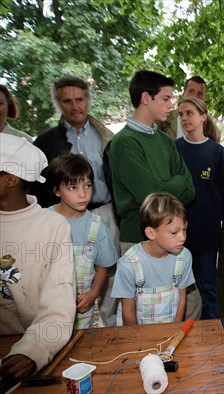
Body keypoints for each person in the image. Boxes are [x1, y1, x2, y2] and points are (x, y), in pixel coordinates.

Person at [32, 76, 120, 326]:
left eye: (79, 99)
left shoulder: (107, 137)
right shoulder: (46, 142)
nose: (74, 106)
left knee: (108, 271)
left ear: (88, 100)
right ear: (59, 103)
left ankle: (104, 327)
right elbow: (39, 186)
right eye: (67, 101)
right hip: (62, 218)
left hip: (103, 213)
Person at [0, 134, 75, 380]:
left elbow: (58, 304)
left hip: (29, 347)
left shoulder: (52, 227)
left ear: (11, 178)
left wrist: (34, 351)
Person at [109, 70, 195, 255]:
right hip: (138, 241)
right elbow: (150, 195)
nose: (171, 105)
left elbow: (191, 190)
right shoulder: (124, 142)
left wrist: (163, 188)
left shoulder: (165, 140)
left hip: (170, 240)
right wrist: (178, 181)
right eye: (165, 98)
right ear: (146, 98)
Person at [44, 153, 118, 329]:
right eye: (72, 188)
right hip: (48, 308)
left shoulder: (96, 225)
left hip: (83, 310)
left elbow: (103, 265)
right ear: (56, 190)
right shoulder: (44, 221)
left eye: (87, 186)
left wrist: (94, 293)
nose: (83, 194)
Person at [175, 97, 224, 319]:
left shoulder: (216, 153)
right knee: (178, 286)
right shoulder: (174, 149)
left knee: (206, 285)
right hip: (176, 232)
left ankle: (210, 331)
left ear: (203, 116)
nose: (185, 118)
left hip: (207, 232)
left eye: (190, 113)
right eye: (181, 114)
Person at [112, 192, 195, 325]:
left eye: (184, 229)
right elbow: (128, 310)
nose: (183, 237)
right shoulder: (129, 264)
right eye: (174, 232)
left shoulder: (184, 257)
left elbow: (182, 298)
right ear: (151, 233)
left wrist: (175, 329)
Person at [158, 75, 221, 142]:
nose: (194, 96)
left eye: (200, 94)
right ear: (183, 93)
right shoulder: (164, 120)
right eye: (191, 91)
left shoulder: (214, 131)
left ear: (204, 98)